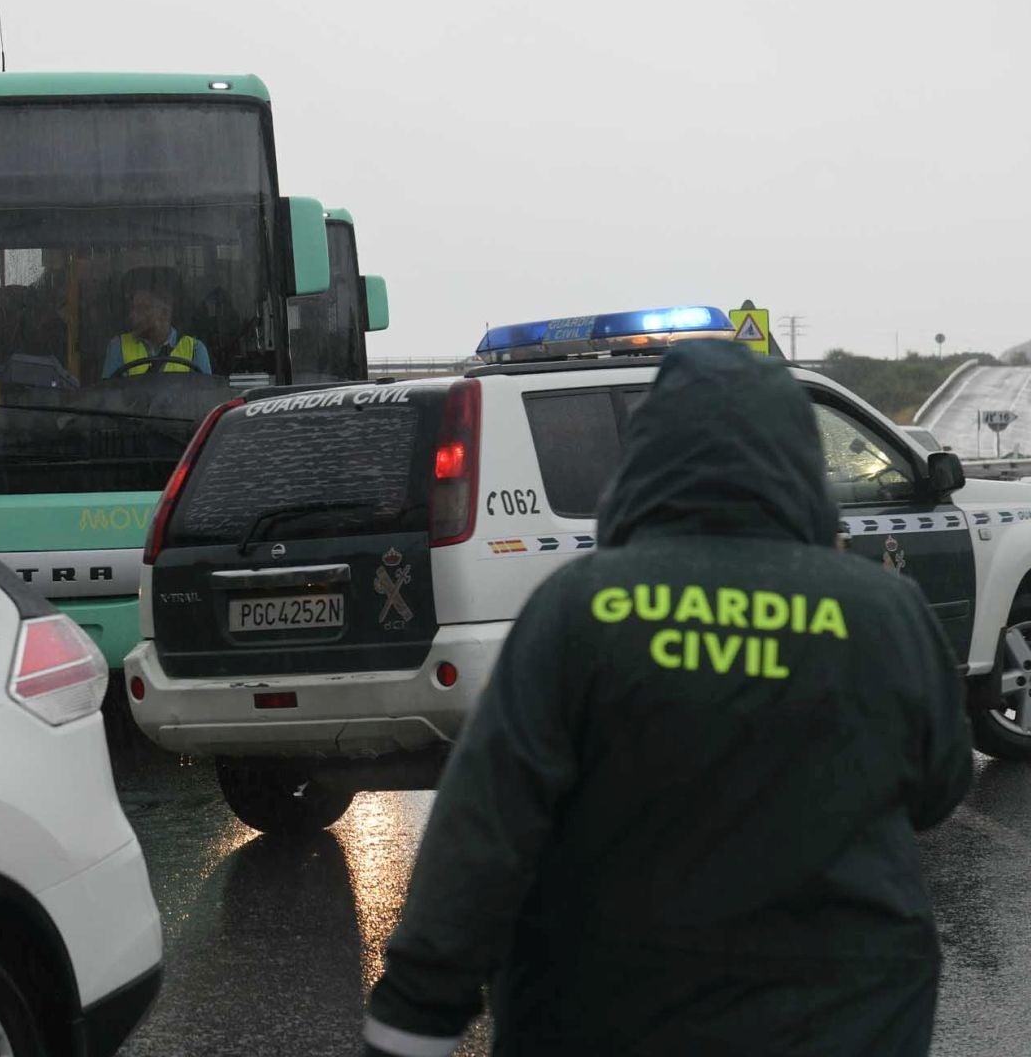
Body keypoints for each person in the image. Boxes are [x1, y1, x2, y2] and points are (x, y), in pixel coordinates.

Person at [363, 341, 972, 1057]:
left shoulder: (580, 609)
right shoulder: (884, 613)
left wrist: (415, 1013)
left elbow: (485, 825)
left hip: (609, 1013)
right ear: (800, 461)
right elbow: (940, 787)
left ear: (644, 458)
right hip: (848, 1016)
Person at [102, 281, 211, 378]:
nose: (133, 316)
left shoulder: (195, 350)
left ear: (165, 313)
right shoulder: (118, 347)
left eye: (142, 309)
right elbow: (108, 397)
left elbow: (206, 398)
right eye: (133, 308)